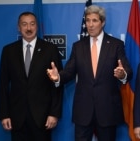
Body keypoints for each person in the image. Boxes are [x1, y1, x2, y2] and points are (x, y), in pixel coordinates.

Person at [46, 5, 133, 141]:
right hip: (83, 110)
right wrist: (58, 77)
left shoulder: (116, 45)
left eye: (94, 21)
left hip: (107, 110)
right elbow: (69, 71)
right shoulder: (78, 46)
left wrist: (122, 75)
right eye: (87, 21)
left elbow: (127, 70)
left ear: (102, 22)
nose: (90, 25)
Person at [0, 11, 63, 141]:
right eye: (24, 24)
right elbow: (3, 84)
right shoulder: (8, 51)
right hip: (17, 118)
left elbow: (57, 84)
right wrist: (4, 114)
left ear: (37, 27)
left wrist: (54, 114)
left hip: (42, 117)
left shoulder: (50, 49)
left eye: (32, 24)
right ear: (18, 27)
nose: (28, 28)